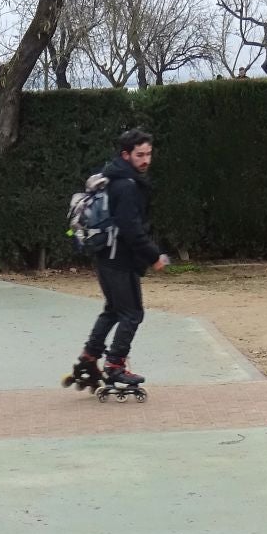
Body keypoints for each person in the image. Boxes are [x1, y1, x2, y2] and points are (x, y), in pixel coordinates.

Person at [72, 128, 169, 392]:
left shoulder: (114, 177)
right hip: (119, 259)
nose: (146, 159)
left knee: (114, 310)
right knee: (132, 313)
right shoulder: (126, 186)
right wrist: (154, 256)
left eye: (149, 154)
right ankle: (114, 365)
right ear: (126, 155)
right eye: (140, 155)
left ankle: (89, 357)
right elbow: (131, 228)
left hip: (106, 256)